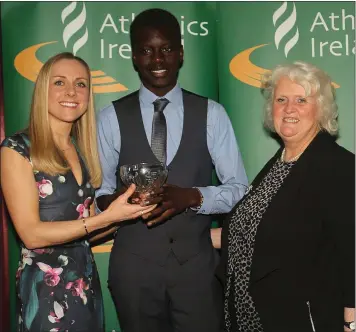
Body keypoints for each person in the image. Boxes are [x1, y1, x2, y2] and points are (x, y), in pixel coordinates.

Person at [95, 8, 248, 332]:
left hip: (197, 273)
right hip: (134, 273)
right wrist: (120, 203)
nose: (158, 59)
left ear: (180, 53)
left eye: (166, 48)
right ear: (135, 56)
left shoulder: (212, 114)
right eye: (147, 50)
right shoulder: (110, 117)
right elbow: (99, 194)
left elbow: (239, 190)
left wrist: (192, 196)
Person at [0, 52, 156, 332]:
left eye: (81, 84)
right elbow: (31, 234)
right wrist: (106, 219)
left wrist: (128, 211)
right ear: (42, 91)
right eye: (59, 82)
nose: (71, 91)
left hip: (84, 286)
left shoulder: (80, 150)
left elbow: (85, 232)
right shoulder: (16, 148)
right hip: (46, 293)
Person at [214, 61, 355, 332]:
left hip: (303, 318)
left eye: (301, 100)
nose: (289, 109)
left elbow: (353, 250)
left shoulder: (338, 166)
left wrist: (351, 321)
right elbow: (256, 231)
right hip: (250, 317)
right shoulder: (279, 163)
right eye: (281, 100)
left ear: (321, 108)